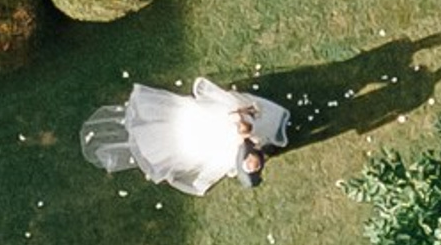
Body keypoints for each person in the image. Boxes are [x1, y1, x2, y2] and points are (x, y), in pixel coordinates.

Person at [79, 76, 289, 195]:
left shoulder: (242, 137)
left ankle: (153, 136)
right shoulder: (242, 136)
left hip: (228, 130)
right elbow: (242, 128)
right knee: (186, 135)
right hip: (227, 130)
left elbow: (242, 128)